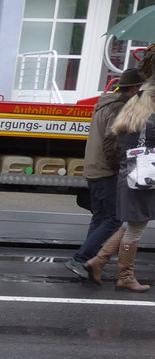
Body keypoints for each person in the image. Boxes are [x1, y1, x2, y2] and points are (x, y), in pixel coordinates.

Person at [66, 68, 144, 281]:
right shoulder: (119, 107)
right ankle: (80, 258)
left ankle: (85, 261)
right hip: (106, 170)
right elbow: (111, 142)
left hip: (93, 169)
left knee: (100, 217)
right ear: (135, 88)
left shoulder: (105, 103)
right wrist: (120, 166)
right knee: (114, 218)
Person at [99, 80, 155, 292]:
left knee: (130, 226)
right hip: (143, 181)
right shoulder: (150, 124)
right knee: (135, 230)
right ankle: (125, 276)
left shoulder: (128, 119)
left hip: (130, 178)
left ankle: (99, 260)